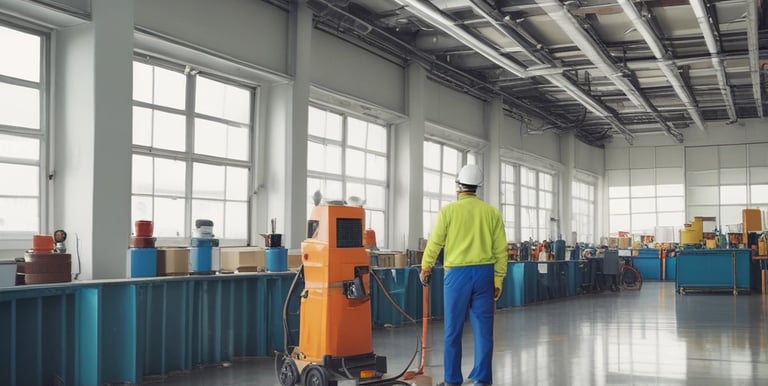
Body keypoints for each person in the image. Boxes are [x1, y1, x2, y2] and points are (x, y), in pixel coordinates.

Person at [420, 164, 508, 386]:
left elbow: (435, 242)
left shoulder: (448, 212)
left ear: (458, 185)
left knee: (453, 330)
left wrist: (426, 266)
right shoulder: (491, 213)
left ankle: (452, 380)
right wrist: (499, 278)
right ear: (478, 186)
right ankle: (482, 379)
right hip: (484, 274)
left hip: (456, 275)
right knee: (484, 331)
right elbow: (500, 249)